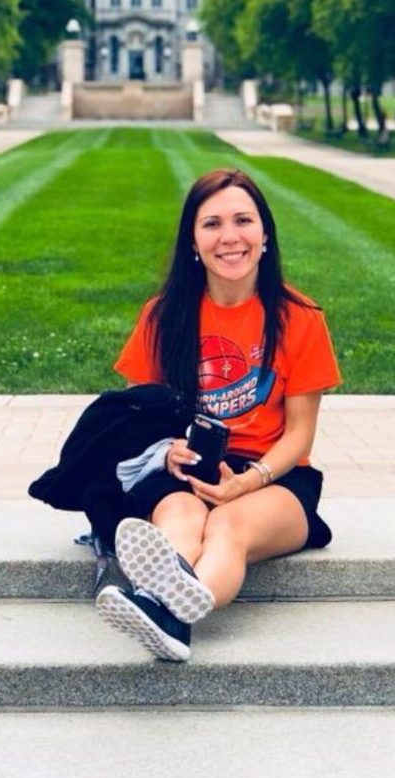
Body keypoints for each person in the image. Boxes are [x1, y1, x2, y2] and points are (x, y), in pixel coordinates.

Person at [96, 168, 341, 661]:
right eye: (211, 224)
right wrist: (167, 451)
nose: (229, 237)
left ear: (265, 234)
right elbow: (138, 415)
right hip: (185, 468)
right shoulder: (163, 316)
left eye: (243, 221)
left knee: (228, 526)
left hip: (274, 476)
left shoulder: (300, 317)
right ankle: (168, 620)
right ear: (193, 240)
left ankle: (158, 608)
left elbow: (300, 435)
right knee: (182, 520)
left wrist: (247, 482)